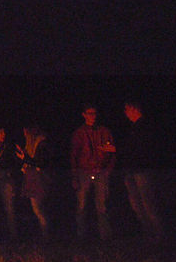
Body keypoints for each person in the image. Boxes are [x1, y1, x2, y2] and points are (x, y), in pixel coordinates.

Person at [119, 99, 163, 244]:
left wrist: (121, 150)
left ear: (134, 109)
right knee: (136, 204)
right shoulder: (133, 128)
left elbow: (143, 149)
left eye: (126, 109)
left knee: (147, 203)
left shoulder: (145, 127)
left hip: (142, 171)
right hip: (131, 171)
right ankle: (148, 234)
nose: (125, 113)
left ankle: (158, 235)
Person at [70, 104, 114, 241]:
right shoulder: (79, 133)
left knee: (102, 206)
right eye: (89, 113)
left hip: (100, 172)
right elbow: (74, 155)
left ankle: (105, 236)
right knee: (81, 206)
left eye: (94, 113)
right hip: (84, 172)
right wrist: (75, 176)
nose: (92, 116)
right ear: (84, 114)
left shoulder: (104, 131)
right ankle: (82, 236)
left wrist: (107, 170)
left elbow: (112, 152)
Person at [17, 125, 54, 241]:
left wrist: (25, 158)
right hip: (32, 180)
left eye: (25, 131)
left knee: (39, 209)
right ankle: (43, 234)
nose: (24, 133)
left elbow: (40, 162)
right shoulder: (31, 145)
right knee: (36, 209)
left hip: (39, 181)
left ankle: (46, 235)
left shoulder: (41, 144)